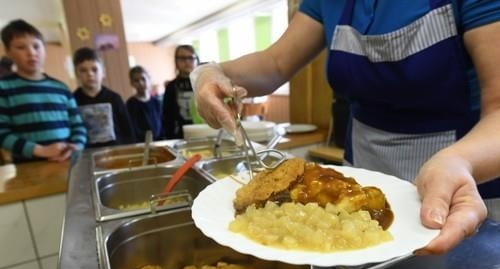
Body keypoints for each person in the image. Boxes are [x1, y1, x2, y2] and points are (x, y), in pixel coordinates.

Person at [190, 0, 500, 255]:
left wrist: (459, 162)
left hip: (459, 185)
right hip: (353, 184)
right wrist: (211, 72)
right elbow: (275, 63)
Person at [0, 19, 86, 163]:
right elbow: (2, 134)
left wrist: (76, 146)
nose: (31, 52)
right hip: (28, 169)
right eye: (21, 47)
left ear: (44, 49)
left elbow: (78, 126)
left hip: (66, 162)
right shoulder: (4, 88)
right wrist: (41, 151)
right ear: (8, 52)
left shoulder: (62, 88)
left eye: (36, 46)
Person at [73, 47, 134, 148]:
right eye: (83, 70)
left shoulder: (114, 98)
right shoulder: (73, 100)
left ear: (103, 72)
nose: (90, 74)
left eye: (94, 69)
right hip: (86, 155)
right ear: (77, 74)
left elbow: (127, 130)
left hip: (116, 152)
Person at [163, 45, 199, 139]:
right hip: (180, 136)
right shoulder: (171, 87)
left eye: (190, 58)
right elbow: (167, 117)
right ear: (176, 61)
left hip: (204, 132)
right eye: (182, 58)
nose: (187, 61)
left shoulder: (203, 83)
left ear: (196, 60)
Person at [126, 66, 164, 142]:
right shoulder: (130, 104)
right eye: (136, 80)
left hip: (159, 142)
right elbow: (131, 128)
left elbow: (162, 123)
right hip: (141, 144)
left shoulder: (156, 102)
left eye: (143, 79)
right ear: (132, 83)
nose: (141, 83)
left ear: (149, 79)